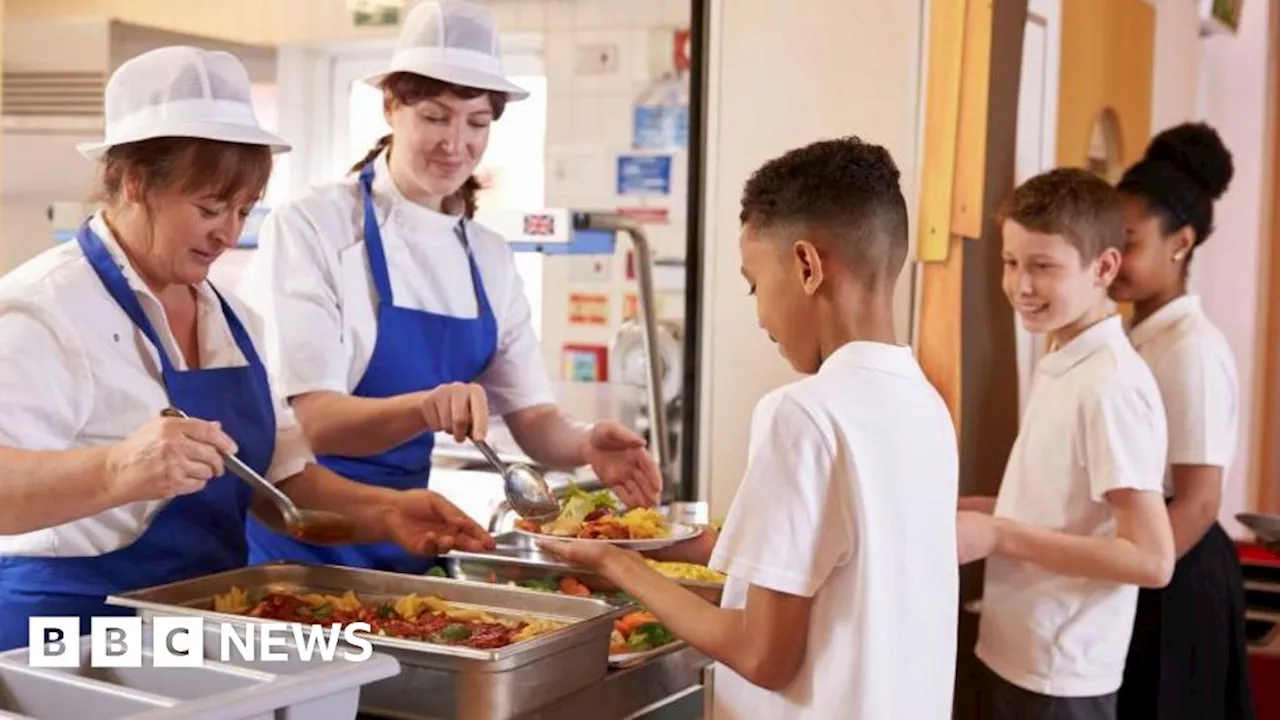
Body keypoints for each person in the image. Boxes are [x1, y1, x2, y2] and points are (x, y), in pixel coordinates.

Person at [0, 46, 493, 653]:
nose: (229, 233)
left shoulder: (232, 319)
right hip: (66, 639)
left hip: (197, 631)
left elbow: (280, 483)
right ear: (133, 182)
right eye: (209, 208)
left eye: (243, 210)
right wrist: (117, 469)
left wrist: (387, 512)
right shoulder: (44, 309)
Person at [539, 137, 961, 719]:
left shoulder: (803, 413)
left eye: (754, 284)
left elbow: (764, 656)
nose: (759, 313)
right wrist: (668, 545)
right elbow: (841, 564)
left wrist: (619, 566)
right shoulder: (924, 403)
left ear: (807, 266)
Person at [238, 0, 660, 574]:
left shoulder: (487, 256)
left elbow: (535, 421)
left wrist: (587, 444)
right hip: (308, 541)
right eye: (435, 117)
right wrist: (426, 407)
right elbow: (317, 423)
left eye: (476, 122)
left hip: (412, 540)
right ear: (391, 106)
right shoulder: (314, 226)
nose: (455, 143)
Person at [957, 168, 1176, 720]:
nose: (1020, 286)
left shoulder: (1111, 385)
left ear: (1104, 267)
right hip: (1018, 648)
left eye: (1043, 267)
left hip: (1061, 675)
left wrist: (998, 533)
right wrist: (977, 513)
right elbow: (1067, 511)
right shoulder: (1063, 359)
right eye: (1011, 262)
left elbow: (1151, 559)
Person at [1108, 123, 1256, 720]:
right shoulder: (1136, 337)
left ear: (1181, 243)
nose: (1112, 259)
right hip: (1149, 560)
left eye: (1130, 242)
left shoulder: (1190, 349)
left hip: (1178, 573)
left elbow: (1197, 501)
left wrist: (1124, 576)